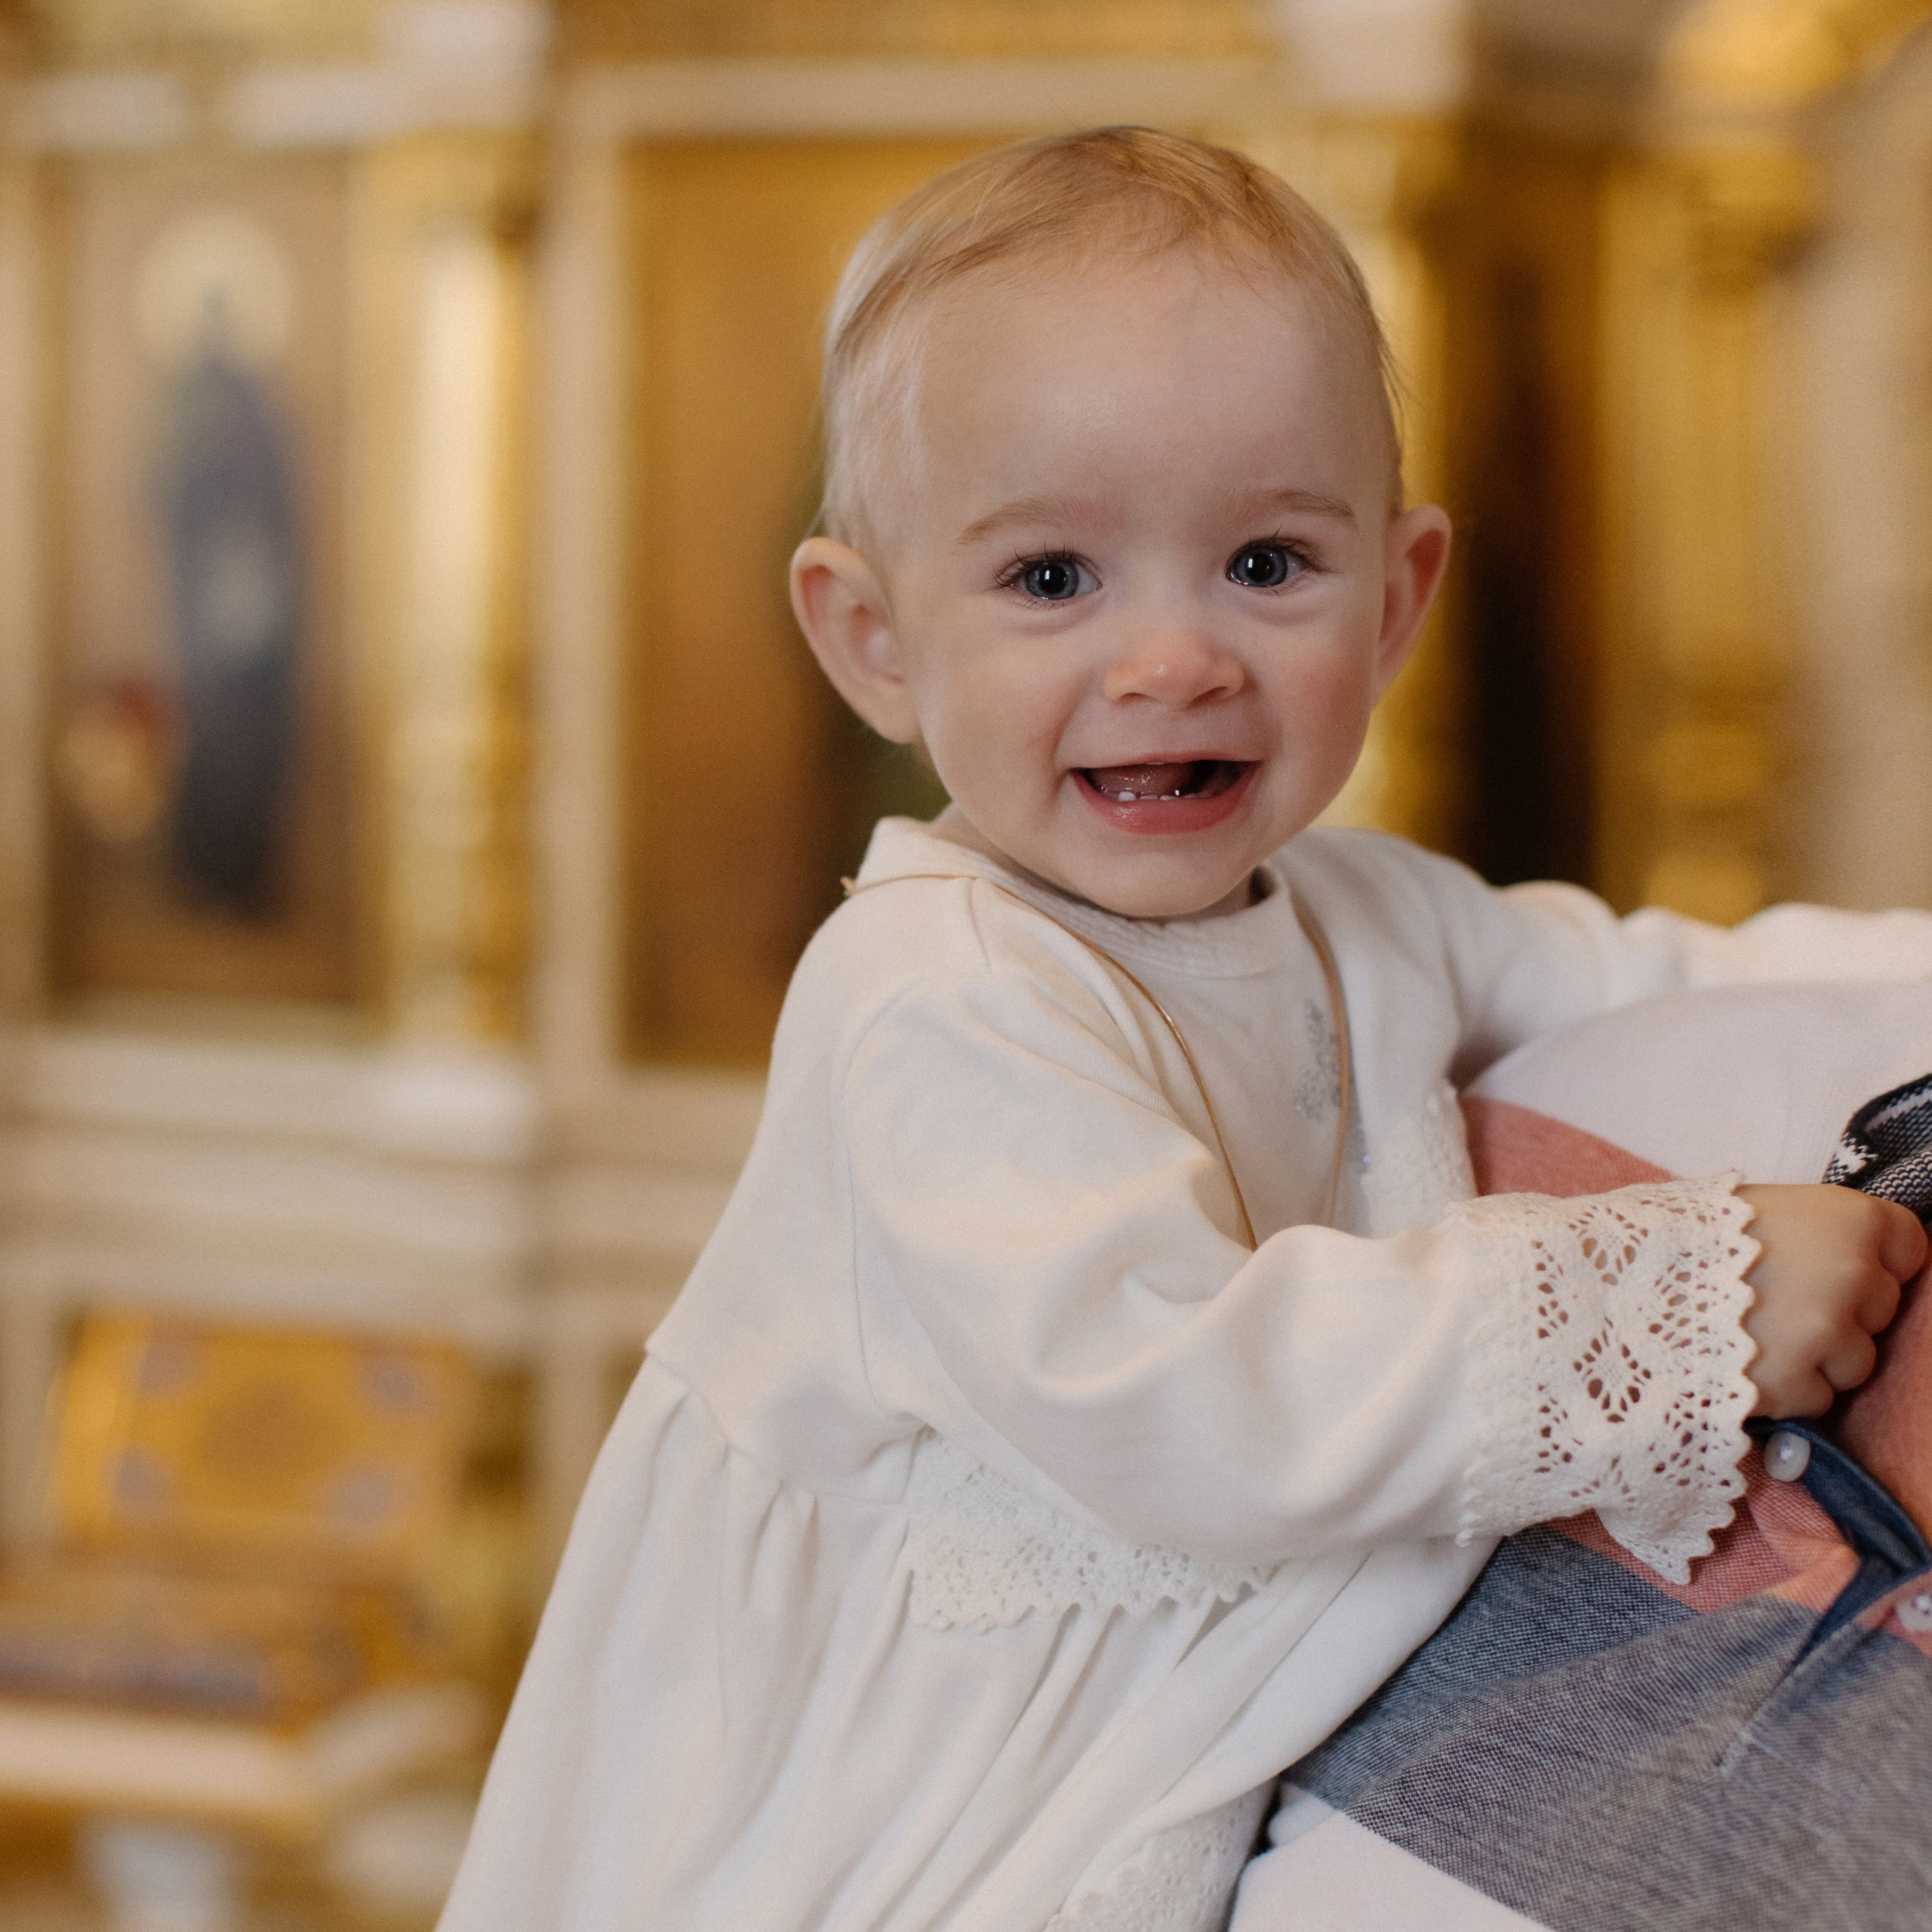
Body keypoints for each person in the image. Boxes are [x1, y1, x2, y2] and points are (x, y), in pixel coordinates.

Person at [436, 129, 1930, 1932]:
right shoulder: (936, 994)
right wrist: (1674, 1294)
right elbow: (1168, 1394)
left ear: (1393, 600)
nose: (1172, 659)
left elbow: (1658, 975)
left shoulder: (1362, 912)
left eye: (1264, 562)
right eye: (1053, 578)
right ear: (871, 639)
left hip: (1149, 1710)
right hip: (894, 1777)